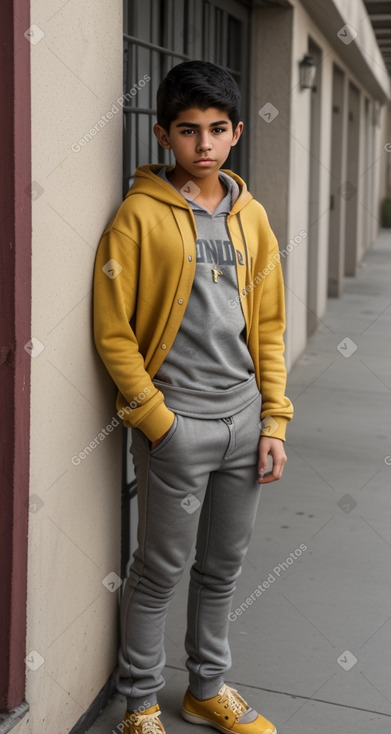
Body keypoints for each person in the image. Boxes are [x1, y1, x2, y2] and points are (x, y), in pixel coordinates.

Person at [93, 60, 293, 734]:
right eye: (187, 131)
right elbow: (113, 333)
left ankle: (206, 688)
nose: (202, 144)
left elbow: (267, 325)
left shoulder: (253, 218)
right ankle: (140, 703)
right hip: (178, 426)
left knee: (223, 568)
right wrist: (158, 421)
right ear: (162, 136)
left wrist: (274, 420)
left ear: (235, 132)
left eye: (215, 129)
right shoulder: (137, 217)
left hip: (243, 421)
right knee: (159, 570)